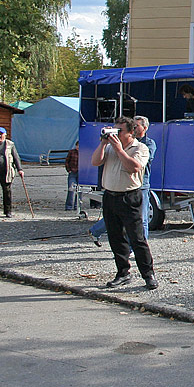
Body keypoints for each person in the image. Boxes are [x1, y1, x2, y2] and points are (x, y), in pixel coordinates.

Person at [91, 116, 157, 289]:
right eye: (114, 129)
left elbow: (133, 167)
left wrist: (119, 150)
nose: (115, 133)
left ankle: (148, 274)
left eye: (119, 131)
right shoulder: (110, 147)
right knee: (116, 238)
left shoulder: (140, 148)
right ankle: (123, 273)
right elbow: (95, 161)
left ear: (130, 132)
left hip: (130, 197)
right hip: (110, 196)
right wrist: (103, 144)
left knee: (137, 238)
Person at [134, 116, 157, 239]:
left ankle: (142, 247)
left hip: (142, 184)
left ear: (145, 128)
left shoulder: (149, 143)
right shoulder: (127, 141)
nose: (134, 128)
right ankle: (95, 231)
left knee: (142, 218)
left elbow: (144, 161)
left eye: (136, 126)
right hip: (127, 184)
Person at [65, 140, 80, 211]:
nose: (78, 147)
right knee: (71, 189)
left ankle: (77, 206)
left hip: (81, 173)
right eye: (77, 145)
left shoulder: (84, 152)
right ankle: (69, 206)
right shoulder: (71, 152)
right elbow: (67, 161)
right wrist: (69, 170)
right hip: (73, 172)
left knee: (79, 191)